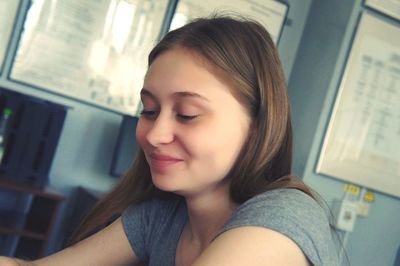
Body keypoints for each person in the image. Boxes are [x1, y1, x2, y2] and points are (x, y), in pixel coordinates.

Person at [0, 16, 339, 266]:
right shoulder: (162, 216)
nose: (155, 134)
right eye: (148, 110)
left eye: (187, 114)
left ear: (256, 128)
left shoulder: (285, 216)